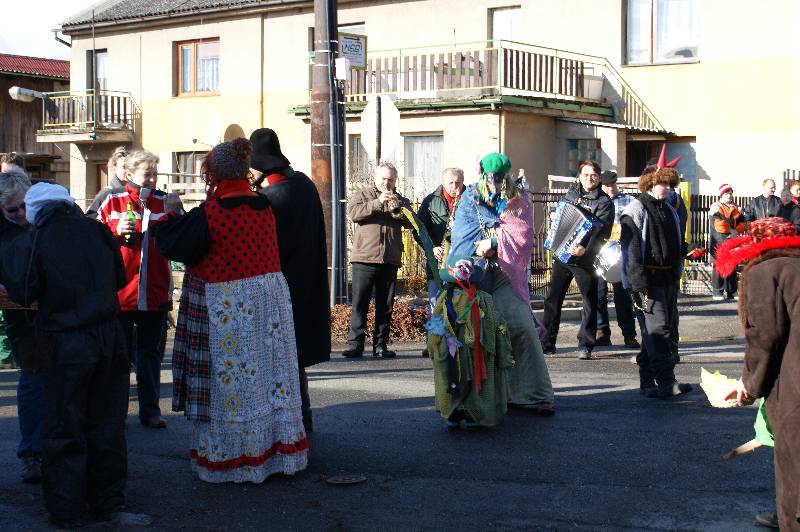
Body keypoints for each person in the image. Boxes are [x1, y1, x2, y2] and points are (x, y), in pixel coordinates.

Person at [152, 138, 308, 483]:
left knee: (232, 382)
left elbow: (176, 245)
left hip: (228, 306)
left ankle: (235, 457)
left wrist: (169, 213)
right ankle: (274, 450)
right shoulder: (263, 204)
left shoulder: (212, 212)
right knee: (267, 378)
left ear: (215, 173)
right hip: (267, 303)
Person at [1, 182, 129, 528]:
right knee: (107, 424)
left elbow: (24, 291)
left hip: (65, 341)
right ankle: (108, 502)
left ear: (36, 211)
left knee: (64, 427)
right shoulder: (98, 231)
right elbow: (119, 278)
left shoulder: (37, 239)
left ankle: (67, 509)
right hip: (110, 337)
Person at [449, 152, 555, 415]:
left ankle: (534, 394)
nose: (494, 183)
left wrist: (495, 242)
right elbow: (461, 236)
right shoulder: (469, 198)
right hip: (475, 273)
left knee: (521, 327)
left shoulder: (518, 198)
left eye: (498, 178)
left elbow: (523, 236)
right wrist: (475, 252)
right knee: (478, 334)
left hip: (505, 274)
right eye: (489, 178)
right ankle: (482, 398)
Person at [714, 217, 800, 532]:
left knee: (793, 465)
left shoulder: (765, 272)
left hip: (793, 387)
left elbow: (764, 336)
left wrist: (749, 384)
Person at [249, 128, 330, 432]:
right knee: (294, 355)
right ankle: (303, 416)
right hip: (307, 281)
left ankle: (289, 421)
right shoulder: (305, 184)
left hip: (280, 286)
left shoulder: (269, 198)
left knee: (280, 356)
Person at [96, 150, 182, 429]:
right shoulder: (111, 200)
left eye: (155, 174)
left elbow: (181, 239)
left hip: (154, 292)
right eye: (148, 174)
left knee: (150, 356)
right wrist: (113, 228)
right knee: (118, 357)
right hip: (120, 294)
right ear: (130, 174)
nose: (153, 179)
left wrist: (176, 215)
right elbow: (90, 238)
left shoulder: (165, 201)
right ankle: (115, 412)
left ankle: (151, 411)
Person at [620, 167, 692, 398]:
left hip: (667, 277)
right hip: (646, 281)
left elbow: (673, 243)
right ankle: (666, 381)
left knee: (655, 330)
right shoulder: (635, 210)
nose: (668, 188)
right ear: (650, 183)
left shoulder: (668, 209)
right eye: (664, 184)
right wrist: (638, 283)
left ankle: (647, 382)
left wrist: (685, 250)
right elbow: (630, 250)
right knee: (658, 330)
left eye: (670, 184)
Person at [541, 160, 614, 360]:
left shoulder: (604, 202)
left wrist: (585, 249)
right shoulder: (571, 195)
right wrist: (554, 221)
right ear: (579, 176)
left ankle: (585, 344)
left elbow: (603, 233)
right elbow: (560, 216)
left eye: (594, 175)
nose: (590, 178)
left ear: (599, 178)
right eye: (586, 175)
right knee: (553, 299)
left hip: (585, 260)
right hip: (562, 256)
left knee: (589, 301)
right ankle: (547, 343)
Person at [0, 170, 44, 483]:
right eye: (12, 209)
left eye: (24, 206)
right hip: (21, 318)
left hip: (53, 312)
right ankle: (32, 453)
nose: (20, 213)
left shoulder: (45, 219)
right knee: (33, 380)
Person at [342, 162, 412, 359]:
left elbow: (411, 223)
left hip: (390, 259)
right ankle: (355, 345)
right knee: (360, 303)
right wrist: (377, 202)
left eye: (390, 179)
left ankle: (380, 345)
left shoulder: (401, 199)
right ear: (376, 178)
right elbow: (354, 214)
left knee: (385, 306)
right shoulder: (362, 195)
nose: (386, 183)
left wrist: (399, 208)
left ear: (395, 181)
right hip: (364, 258)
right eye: (383, 178)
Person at [418, 167, 465, 356]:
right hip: (437, 262)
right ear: (443, 182)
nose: (454, 187)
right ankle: (434, 343)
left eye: (458, 183)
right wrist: (432, 247)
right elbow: (419, 229)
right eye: (450, 183)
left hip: (462, 262)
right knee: (435, 303)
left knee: (461, 304)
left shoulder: (469, 200)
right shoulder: (430, 201)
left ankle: (460, 342)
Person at [595, 170, 639, 349]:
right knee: (598, 295)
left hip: (621, 256)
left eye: (613, 184)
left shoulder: (629, 201)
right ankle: (601, 332)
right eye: (606, 185)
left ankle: (629, 335)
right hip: (599, 255)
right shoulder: (597, 202)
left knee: (623, 297)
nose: (610, 188)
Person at [708, 183, 746, 301]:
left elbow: (743, 223)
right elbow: (719, 224)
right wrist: (732, 230)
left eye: (730, 193)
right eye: (726, 193)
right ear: (721, 195)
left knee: (732, 266)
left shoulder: (736, 208)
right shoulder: (715, 207)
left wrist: (737, 230)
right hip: (718, 241)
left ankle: (732, 291)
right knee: (719, 266)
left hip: (732, 242)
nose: (729, 195)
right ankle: (717, 291)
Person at [86, 146, 128, 219]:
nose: (128, 170)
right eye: (124, 167)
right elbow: (90, 219)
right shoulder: (107, 193)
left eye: (130, 167)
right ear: (114, 169)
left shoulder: (135, 192)